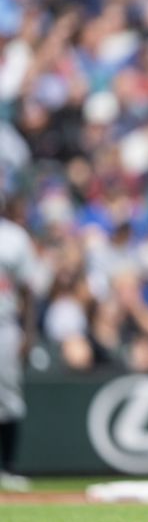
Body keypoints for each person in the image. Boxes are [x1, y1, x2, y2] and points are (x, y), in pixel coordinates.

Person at [0, 210, 38, 492]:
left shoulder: (13, 236)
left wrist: (29, 331)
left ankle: (8, 467)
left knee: (8, 396)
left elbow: (27, 289)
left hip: (4, 324)